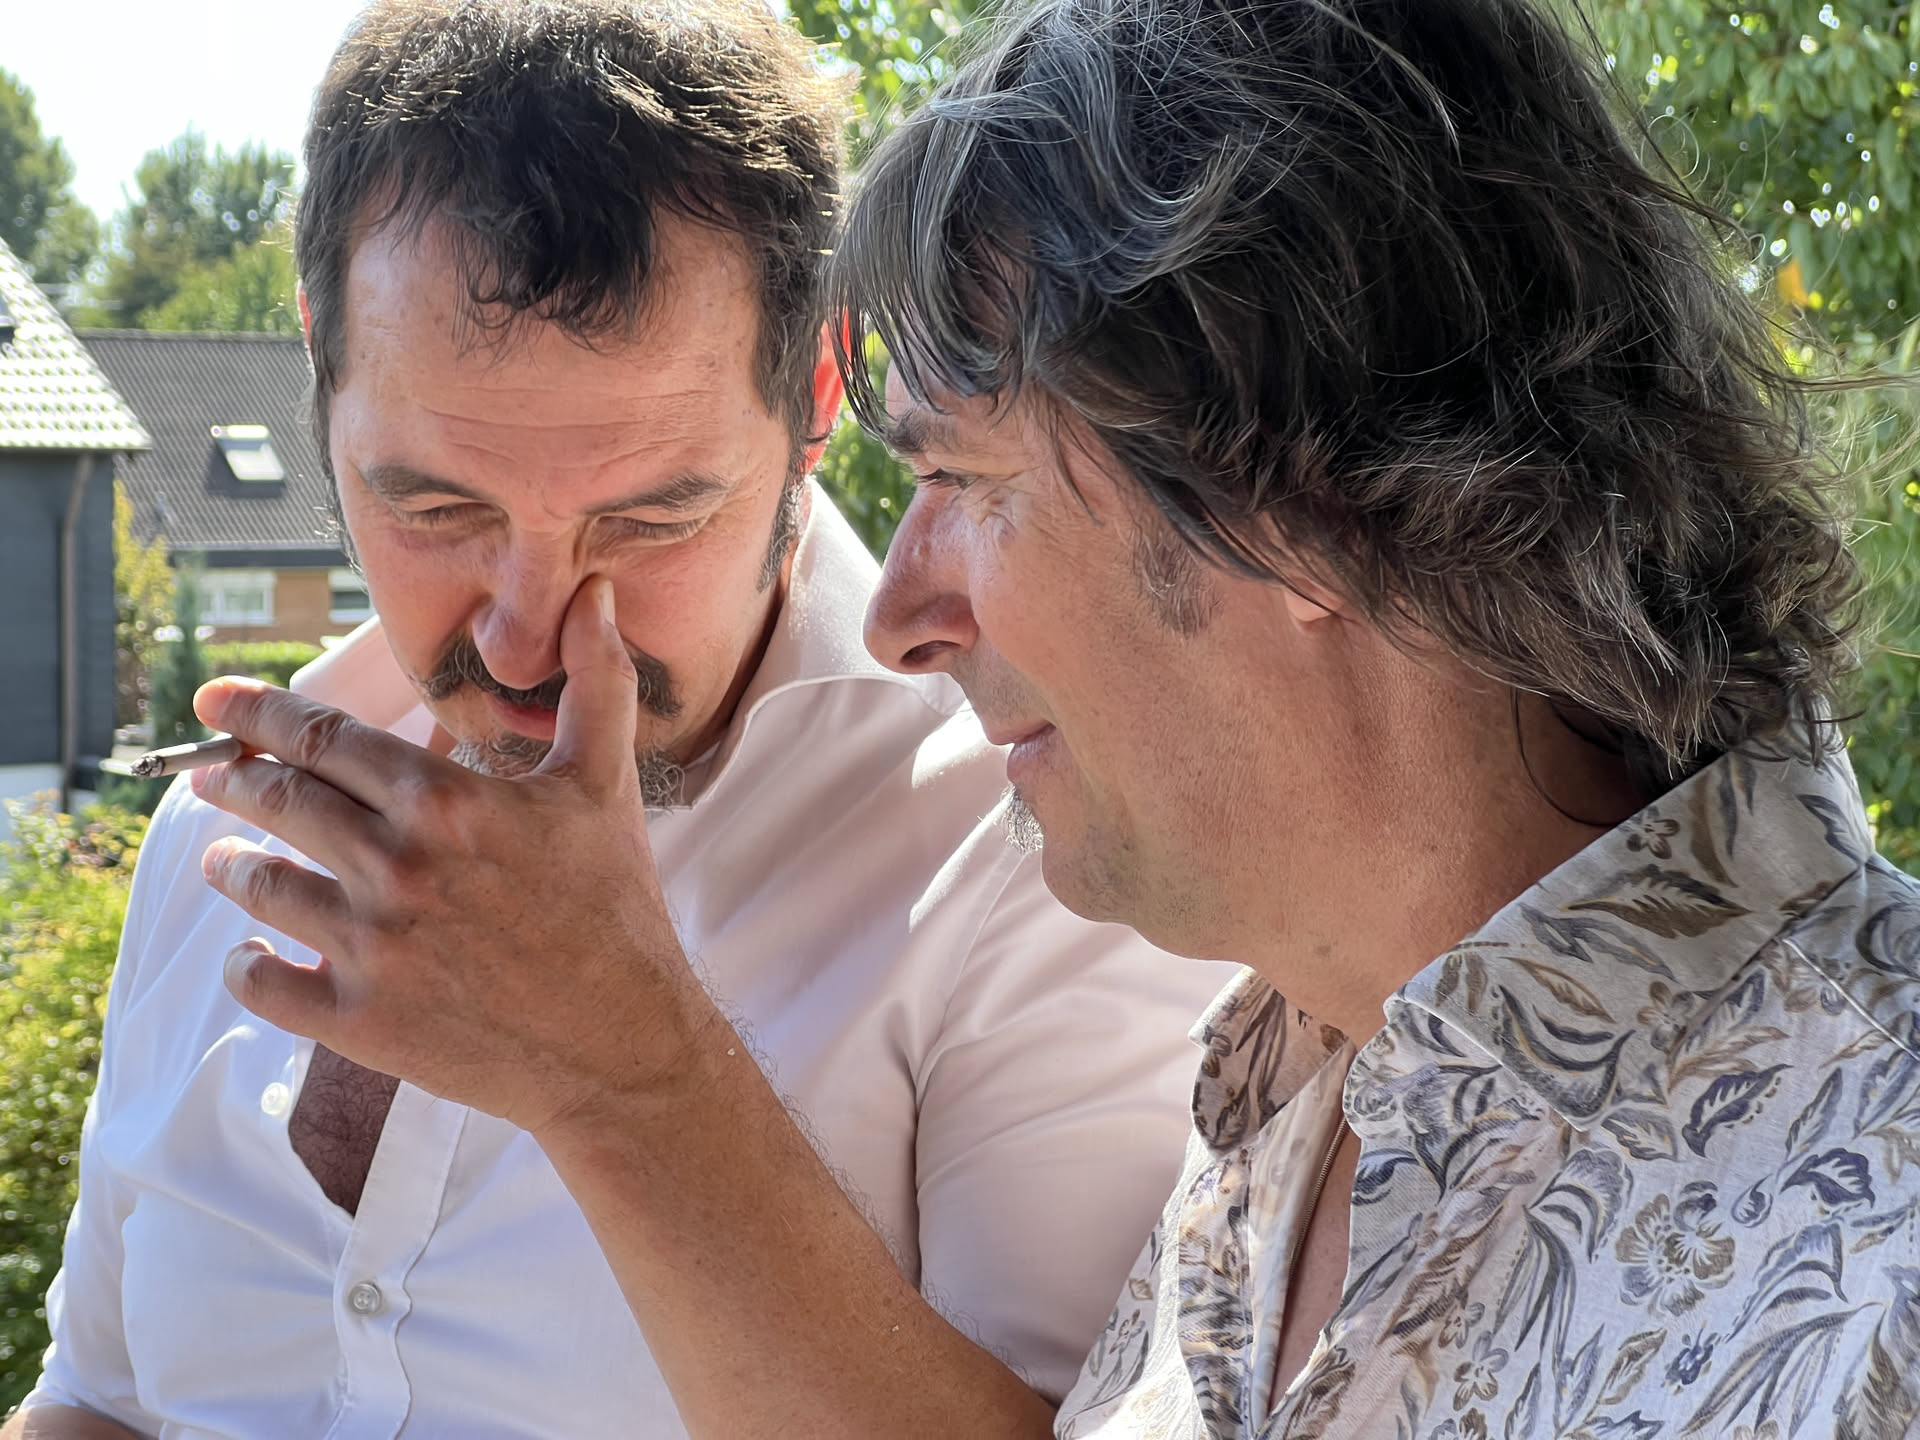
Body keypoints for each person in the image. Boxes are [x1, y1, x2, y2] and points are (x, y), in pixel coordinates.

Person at [1, 2, 1233, 1437]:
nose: (527, 640)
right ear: (320, 359)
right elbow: (97, 1395)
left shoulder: (1037, 856)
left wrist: (622, 1073)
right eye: (433, 508)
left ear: (817, 388)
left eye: (651, 521)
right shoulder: (216, 823)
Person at [828, 0, 1920, 1433]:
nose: (895, 615)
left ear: (1290, 496)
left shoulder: (1886, 1240)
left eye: (966, 481)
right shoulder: (1283, 1105)